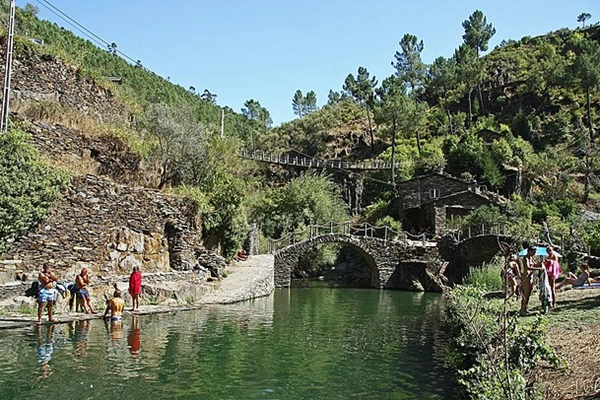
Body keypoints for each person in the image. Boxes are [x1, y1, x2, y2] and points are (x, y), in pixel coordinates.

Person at [519, 246, 544, 316]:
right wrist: (538, 268)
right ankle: (522, 310)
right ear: (529, 251)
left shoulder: (531, 258)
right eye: (533, 252)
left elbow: (535, 264)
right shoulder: (526, 258)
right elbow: (528, 267)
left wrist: (541, 261)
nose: (534, 253)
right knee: (525, 294)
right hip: (526, 278)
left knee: (529, 294)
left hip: (531, 277)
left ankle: (525, 308)